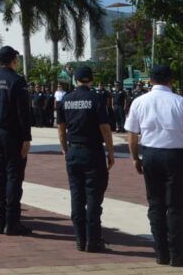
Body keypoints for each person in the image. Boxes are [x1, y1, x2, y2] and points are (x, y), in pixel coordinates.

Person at [125, 64, 183, 267]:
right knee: (176, 207)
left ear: (150, 80)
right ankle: (178, 254)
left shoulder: (139, 102)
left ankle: (161, 253)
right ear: (171, 80)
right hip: (176, 157)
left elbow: (132, 135)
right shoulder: (181, 102)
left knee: (156, 205)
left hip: (151, 154)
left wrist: (135, 157)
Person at [57, 65, 115, 252]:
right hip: (92, 152)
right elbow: (105, 128)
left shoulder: (66, 99)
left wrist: (65, 149)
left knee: (76, 196)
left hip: (74, 151)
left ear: (76, 80)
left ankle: (80, 239)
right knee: (93, 198)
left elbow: (61, 127)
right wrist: (111, 152)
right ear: (91, 80)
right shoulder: (95, 99)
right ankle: (93, 240)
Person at [0, 46, 33, 236]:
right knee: (13, 176)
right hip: (13, 134)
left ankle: (0, 219)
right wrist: (26, 137)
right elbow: (23, 113)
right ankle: (12, 222)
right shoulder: (17, 81)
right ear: (13, 60)